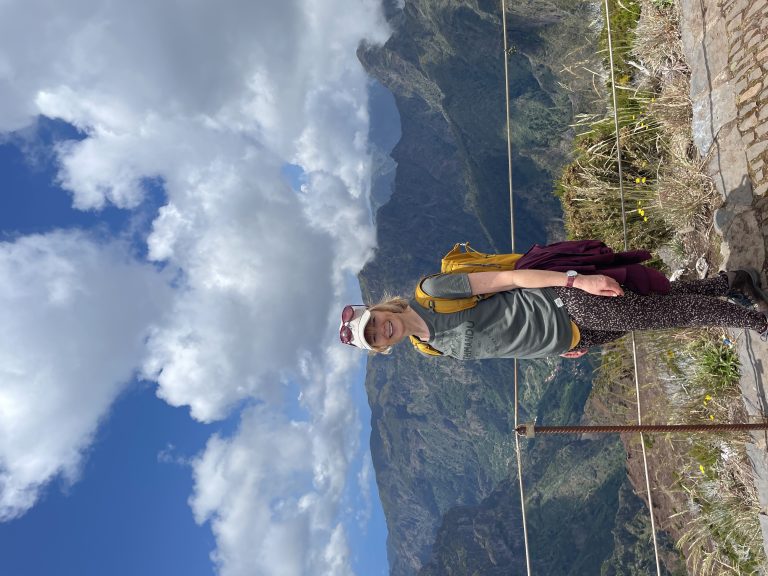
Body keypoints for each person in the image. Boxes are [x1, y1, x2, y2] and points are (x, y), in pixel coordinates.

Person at [339, 268, 768, 359]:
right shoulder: (429, 348)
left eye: (372, 322)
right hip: (569, 337)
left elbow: (508, 279)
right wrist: (555, 349)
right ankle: (733, 283)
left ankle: (758, 321)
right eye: (373, 338)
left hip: (564, 303)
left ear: (378, 308)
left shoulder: (432, 292)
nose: (380, 330)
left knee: (665, 315)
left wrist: (575, 282)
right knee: (654, 307)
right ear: (381, 348)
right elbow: (502, 345)